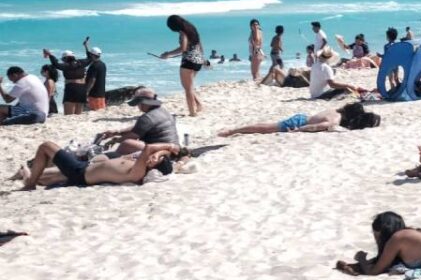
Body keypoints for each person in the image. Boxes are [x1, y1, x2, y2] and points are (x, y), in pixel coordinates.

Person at [14, 140, 184, 191]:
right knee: (44, 178)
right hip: (85, 168)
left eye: (155, 160)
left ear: (154, 167)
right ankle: (26, 174)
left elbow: (148, 148)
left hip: (80, 173)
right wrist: (163, 153)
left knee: (46, 146)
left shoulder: (137, 173)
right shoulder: (140, 164)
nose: (152, 157)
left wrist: (168, 146)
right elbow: (155, 153)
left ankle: (29, 185)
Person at [218, 102, 381, 136]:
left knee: (267, 126)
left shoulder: (335, 110)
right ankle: (234, 130)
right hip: (300, 122)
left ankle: (235, 130)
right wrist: (298, 130)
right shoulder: (336, 119)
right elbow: (318, 127)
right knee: (265, 128)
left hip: (303, 117)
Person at [160, 14, 204, 116]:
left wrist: (168, 54)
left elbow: (183, 49)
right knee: (188, 86)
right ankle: (199, 105)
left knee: (188, 88)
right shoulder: (192, 29)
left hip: (188, 62)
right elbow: (200, 44)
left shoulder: (183, 33)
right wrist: (202, 58)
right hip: (198, 60)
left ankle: (192, 112)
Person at [44, 49, 89, 114]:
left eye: (63, 59)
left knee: (69, 114)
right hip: (82, 89)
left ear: (66, 58)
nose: (63, 61)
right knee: (78, 114)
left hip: (71, 88)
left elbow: (56, 64)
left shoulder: (67, 65)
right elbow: (90, 58)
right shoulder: (82, 63)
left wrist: (50, 55)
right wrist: (86, 47)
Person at [82, 38, 106, 110]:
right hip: (101, 92)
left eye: (91, 55)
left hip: (94, 94)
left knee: (95, 110)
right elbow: (89, 55)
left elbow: (92, 80)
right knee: (100, 110)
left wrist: (87, 91)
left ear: (93, 55)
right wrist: (86, 46)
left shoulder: (94, 66)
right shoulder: (102, 64)